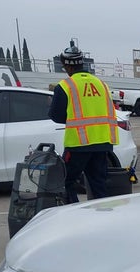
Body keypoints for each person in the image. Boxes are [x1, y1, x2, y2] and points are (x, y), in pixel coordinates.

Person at [48, 41, 118, 204]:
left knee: (65, 182)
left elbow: (56, 116)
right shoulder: (101, 84)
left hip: (78, 144)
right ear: (81, 63)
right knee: (99, 185)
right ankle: (104, 217)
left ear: (66, 65)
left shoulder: (66, 86)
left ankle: (75, 217)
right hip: (102, 143)